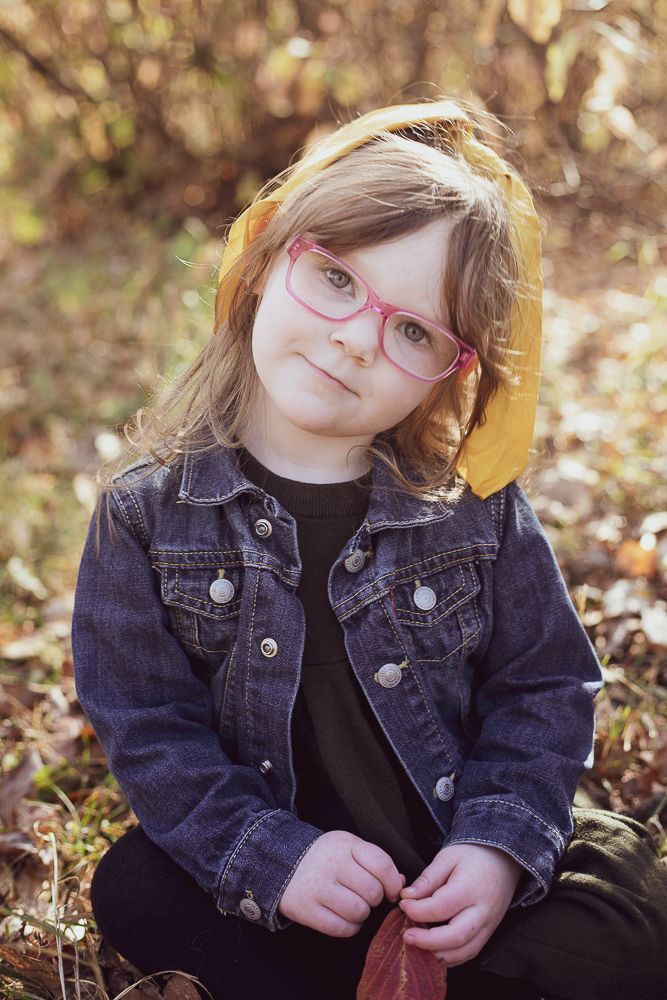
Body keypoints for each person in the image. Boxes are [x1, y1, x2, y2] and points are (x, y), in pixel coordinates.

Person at [72, 98, 667, 1000]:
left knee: (630, 906)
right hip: (289, 877)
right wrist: (273, 859)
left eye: (414, 331)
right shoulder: (146, 515)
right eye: (338, 280)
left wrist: (495, 848)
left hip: (449, 856)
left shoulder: (472, 509)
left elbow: (544, 686)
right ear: (270, 258)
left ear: (452, 372)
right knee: (134, 887)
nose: (356, 339)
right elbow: (151, 730)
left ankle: (422, 969)